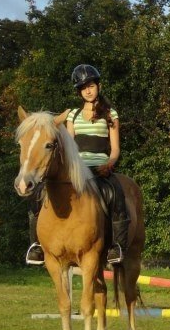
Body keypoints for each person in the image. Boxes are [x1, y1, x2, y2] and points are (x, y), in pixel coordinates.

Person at [24, 64, 130, 265]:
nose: (88, 90)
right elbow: (69, 145)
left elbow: (115, 148)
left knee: (116, 194)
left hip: (100, 169)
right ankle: (36, 245)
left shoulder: (111, 114)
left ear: (98, 86)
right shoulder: (72, 115)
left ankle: (117, 245)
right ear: (79, 92)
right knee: (37, 195)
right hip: (77, 170)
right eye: (83, 87)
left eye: (90, 85)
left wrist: (110, 163)